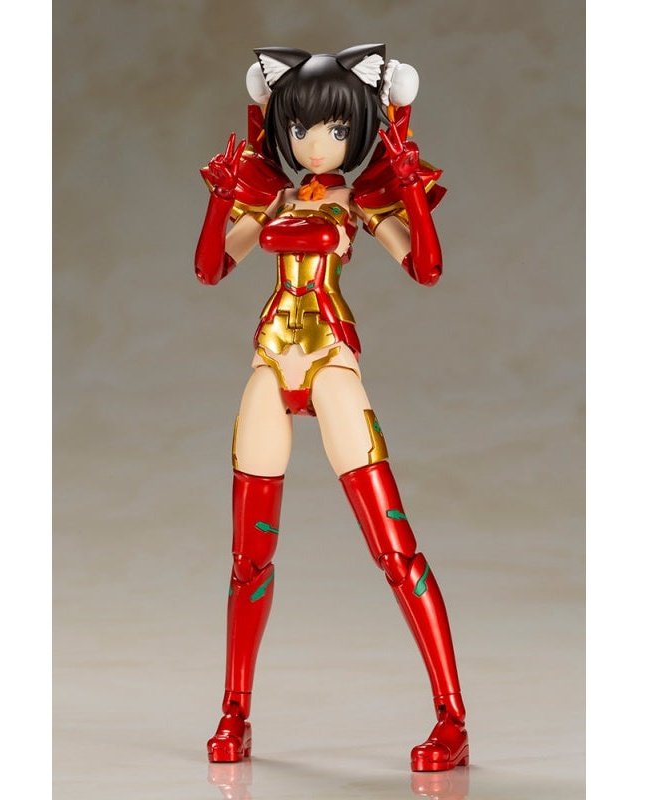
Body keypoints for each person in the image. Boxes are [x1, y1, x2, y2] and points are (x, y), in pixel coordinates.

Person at [195, 44, 469, 773]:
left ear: (361, 130)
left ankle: (451, 716)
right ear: (281, 127)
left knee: (393, 546)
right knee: (248, 558)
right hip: (271, 357)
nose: (316, 144)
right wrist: (222, 197)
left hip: (329, 358)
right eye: (302, 128)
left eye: (337, 130)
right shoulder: (275, 197)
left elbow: (426, 268)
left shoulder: (358, 201)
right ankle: (234, 711)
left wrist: (408, 189)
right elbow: (212, 267)